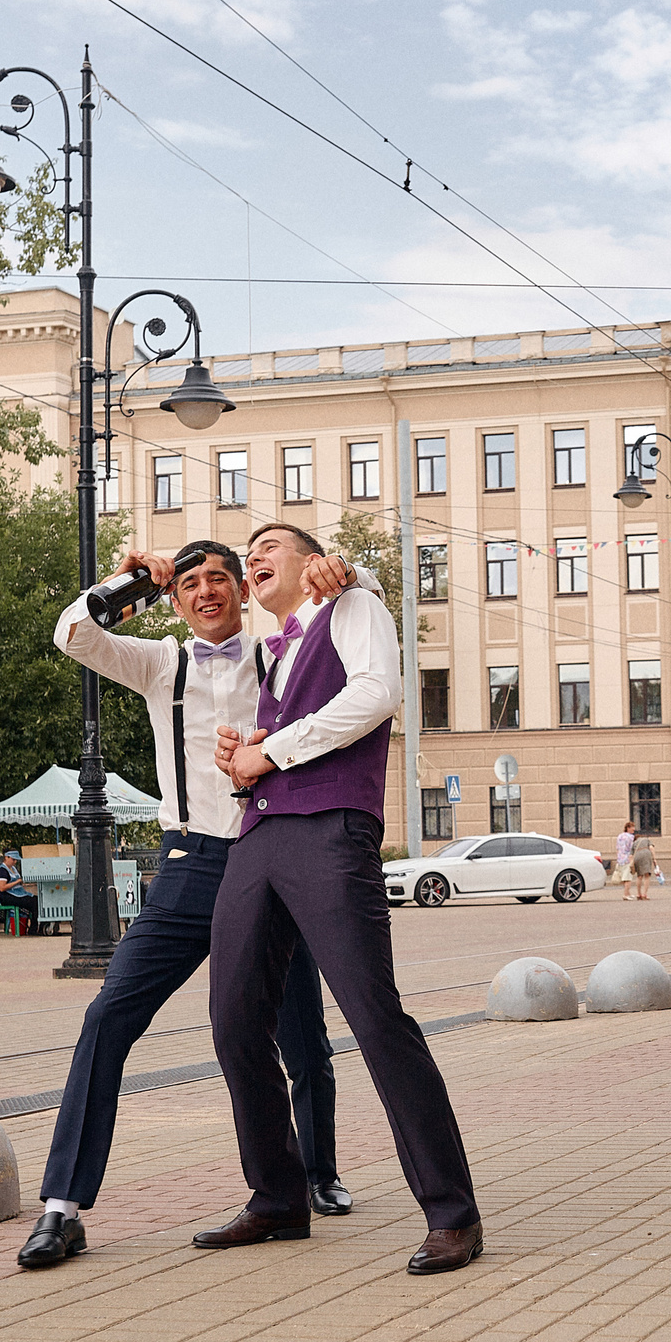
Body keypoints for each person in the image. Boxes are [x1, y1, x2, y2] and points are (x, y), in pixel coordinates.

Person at [13, 540, 366, 1272]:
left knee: (300, 1032)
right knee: (109, 1014)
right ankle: (62, 1207)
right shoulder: (160, 663)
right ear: (177, 601)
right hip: (190, 863)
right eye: (192, 583)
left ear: (243, 590)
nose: (207, 592)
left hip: (274, 854)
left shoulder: (281, 652)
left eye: (220, 580)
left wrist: (341, 574)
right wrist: (131, 582)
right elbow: (72, 631)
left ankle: (315, 1171)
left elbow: (348, 635)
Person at [210, 523, 483, 1276]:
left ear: (313, 560)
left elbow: (377, 692)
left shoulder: (352, 601)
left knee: (373, 1015)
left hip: (330, 829)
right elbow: (287, 735)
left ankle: (452, 1213)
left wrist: (277, 748)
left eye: (270, 545)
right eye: (249, 550)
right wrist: (245, 761)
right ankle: (277, 1196)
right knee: (233, 1016)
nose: (253, 556)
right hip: (260, 832)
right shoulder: (277, 648)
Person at [0, 848, 37, 935]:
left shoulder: (13, 869)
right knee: (33, 902)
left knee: (37, 900)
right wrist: (17, 882)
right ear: (6, 857)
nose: (15, 862)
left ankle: (38, 927)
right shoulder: (2, 871)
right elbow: (2, 888)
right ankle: (33, 929)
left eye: (16, 860)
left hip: (16, 894)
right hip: (6, 897)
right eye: (13, 859)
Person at [612, 821, 637, 898]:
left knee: (624, 877)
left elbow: (617, 847)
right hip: (627, 859)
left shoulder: (620, 836)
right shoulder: (631, 837)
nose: (634, 829)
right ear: (628, 828)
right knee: (628, 878)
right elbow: (632, 848)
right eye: (632, 827)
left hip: (620, 859)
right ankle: (625, 894)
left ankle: (628, 893)